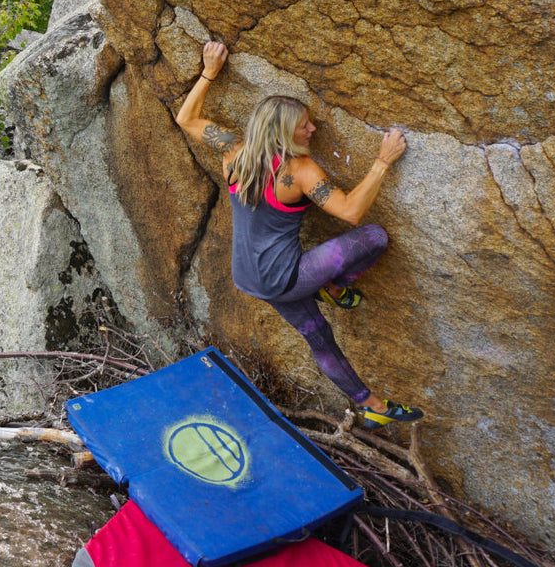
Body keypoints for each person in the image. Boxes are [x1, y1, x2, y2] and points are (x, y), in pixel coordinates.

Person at [174, 40, 424, 430]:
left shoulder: (234, 152)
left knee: (319, 336)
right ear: (283, 133)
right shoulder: (301, 170)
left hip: (252, 280)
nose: (313, 128)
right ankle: (336, 286)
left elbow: (186, 120)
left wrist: (209, 72)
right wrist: (381, 162)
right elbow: (352, 213)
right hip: (287, 278)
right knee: (374, 237)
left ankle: (372, 405)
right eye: (303, 125)